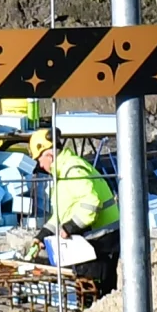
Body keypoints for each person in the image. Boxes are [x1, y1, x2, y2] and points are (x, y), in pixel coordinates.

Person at [24, 127, 120, 302]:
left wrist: (70, 227)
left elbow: (91, 204)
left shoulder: (72, 170)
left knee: (94, 287)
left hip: (102, 238)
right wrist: (43, 235)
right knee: (87, 284)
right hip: (95, 236)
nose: (39, 165)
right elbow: (62, 213)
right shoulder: (63, 173)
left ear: (49, 156)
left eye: (39, 159)